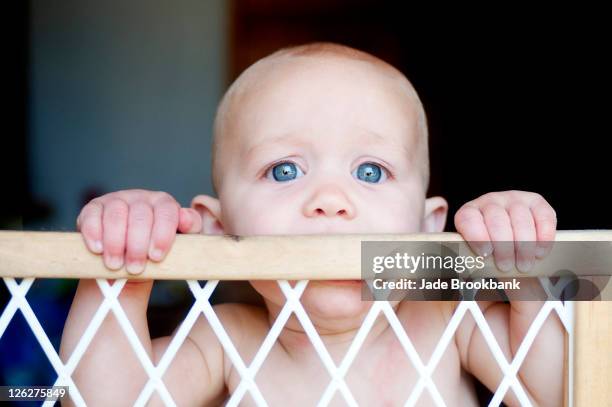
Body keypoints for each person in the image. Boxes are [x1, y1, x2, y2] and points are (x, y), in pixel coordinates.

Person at [60, 42, 561, 406]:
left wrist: (523, 264)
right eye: (284, 170)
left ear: (429, 228)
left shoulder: (452, 324)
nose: (329, 200)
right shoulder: (226, 339)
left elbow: (564, 391)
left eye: (371, 171)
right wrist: (121, 265)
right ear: (216, 225)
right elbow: (102, 401)